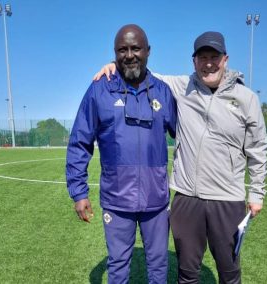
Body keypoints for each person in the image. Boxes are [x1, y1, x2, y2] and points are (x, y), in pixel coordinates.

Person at [94, 31, 267, 284]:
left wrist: (257, 194)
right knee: (187, 273)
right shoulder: (180, 87)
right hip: (187, 198)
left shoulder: (246, 99)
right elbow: (143, 72)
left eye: (214, 57)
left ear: (225, 59)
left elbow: (258, 149)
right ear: (194, 61)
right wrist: (116, 65)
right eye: (202, 57)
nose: (208, 63)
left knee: (230, 272)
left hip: (227, 198)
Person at [66, 24, 177, 284]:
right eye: (122, 50)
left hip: (156, 201)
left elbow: (187, 135)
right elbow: (80, 141)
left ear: (148, 51)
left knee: (159, 265)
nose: (129, 55)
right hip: (116, 200)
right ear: (114, 53)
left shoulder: (163, 91)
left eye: (135, 48)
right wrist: (79, 192)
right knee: (117, 266)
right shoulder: (99, 90)